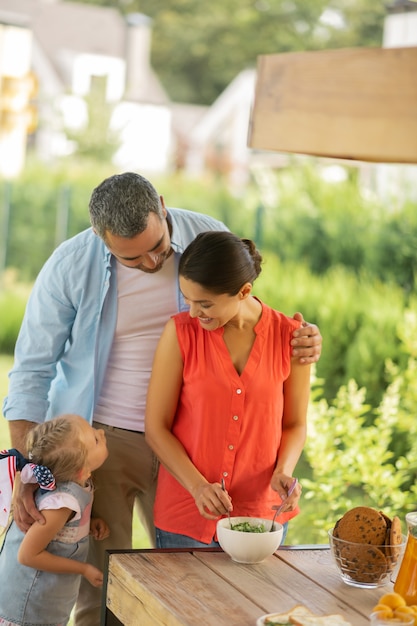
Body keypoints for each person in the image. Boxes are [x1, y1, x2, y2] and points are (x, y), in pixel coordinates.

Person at [2, 172, 322, 626]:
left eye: (160, 246)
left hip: (189, 449)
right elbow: (32, 371)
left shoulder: (206, 235)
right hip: (102, 446)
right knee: (105, 589)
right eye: (133, 257)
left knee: (177, 589)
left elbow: (239, 306)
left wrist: (302, 342)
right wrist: (28, 465)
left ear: (164, 207)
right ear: (101, 238)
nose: (153, 262)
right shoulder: (71, 264)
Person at [145, 231, 311, 548]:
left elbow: (294, 424)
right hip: (185, 518)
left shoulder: (291, 337)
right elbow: (156, 428)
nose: (194, 312)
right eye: (188, 300)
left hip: (261, 517)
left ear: (243, 291)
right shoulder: (180, 333)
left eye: (205, 303)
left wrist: (284, 471)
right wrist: (197, 488)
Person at [0, 414, 109, 626]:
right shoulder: (62, 503)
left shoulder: (72, 482)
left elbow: (59, 532)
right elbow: (27, 555)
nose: (101, 432)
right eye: (95, 439)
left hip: (44, 600)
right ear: (82, 470)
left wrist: (87, 523)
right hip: (28, 606)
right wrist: (83, 569)